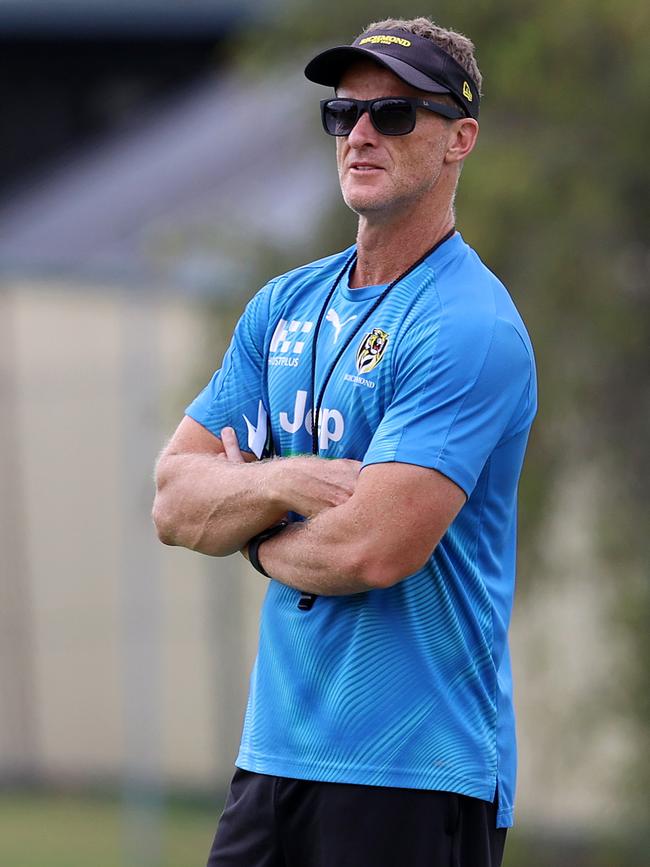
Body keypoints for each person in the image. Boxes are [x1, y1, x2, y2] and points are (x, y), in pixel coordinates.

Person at [153, 16, 537, 867]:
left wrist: (249, 530)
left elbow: (373, 548)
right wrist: (290, 482)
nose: (360, 133)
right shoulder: (282, 305)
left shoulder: (467, 325)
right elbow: (174, 498)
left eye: (393, 114)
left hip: (415, 771)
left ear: (458, 140)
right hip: (273, 759)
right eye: (343, 114)